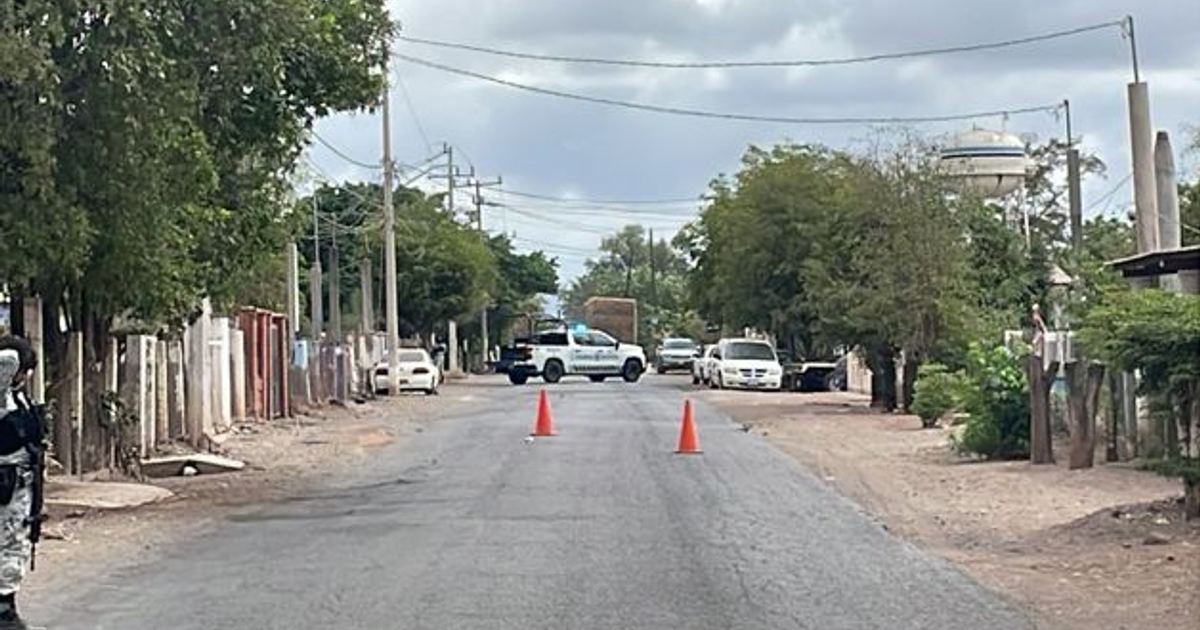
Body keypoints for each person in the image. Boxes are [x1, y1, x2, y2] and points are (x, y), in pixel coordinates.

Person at [0, 336, 40, 629]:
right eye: (24, 371)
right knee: (8, 545)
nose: (27, 377)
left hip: (21, 485)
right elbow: (8, 359)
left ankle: (7, 605)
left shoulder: (19, 396)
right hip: (6, 483)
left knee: (16, 544)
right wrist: (15, 352)